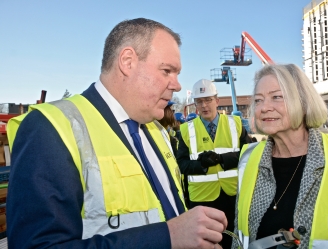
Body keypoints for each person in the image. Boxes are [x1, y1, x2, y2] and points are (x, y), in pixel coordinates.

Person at [6, 18, 228, 249]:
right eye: (167, 71)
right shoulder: (51, 128)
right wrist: (167, 237)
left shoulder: (157, 131)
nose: (177, 85)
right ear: (127, 61)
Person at [232, 64, 328, 249]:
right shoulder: (249, 158)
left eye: (277, 97)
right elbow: (238, 235)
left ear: (303, 102)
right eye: (258, 100)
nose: (264, 107)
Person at [177, 79, 251, 249]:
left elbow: (249, 155)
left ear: (217, 101)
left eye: (208, 100)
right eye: (200, 101)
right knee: (207, 244)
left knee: (233, 240)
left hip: (232, 196)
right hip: (202, 199)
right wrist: (201, 165)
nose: (204, 105)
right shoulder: (186, 130)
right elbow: (181, 164)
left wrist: (223, 159)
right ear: (195, 104)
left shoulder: (235, 124)